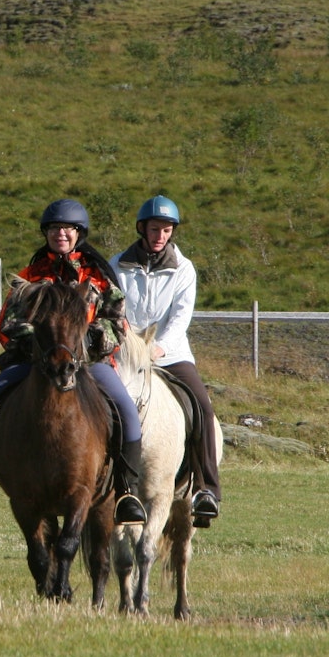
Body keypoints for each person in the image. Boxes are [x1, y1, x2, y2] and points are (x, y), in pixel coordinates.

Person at [0, 199, 147, 525]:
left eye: (67, 228)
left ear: (79, 233)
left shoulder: (98, 278)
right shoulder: (29, 277)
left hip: (89, 364)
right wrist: (41, 345)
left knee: (125, 407)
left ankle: (127, 492)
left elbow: (116, 323)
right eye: (54, 229)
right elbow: (8, 324)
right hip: (34, 363)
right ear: (47, 233)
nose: (61, 234)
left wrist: (82, 344)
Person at [111, 195, 222, 526]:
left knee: (201, 406)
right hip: (126, 354)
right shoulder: (117, 265)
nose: (161, 235)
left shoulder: (184, 269)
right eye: (155, 228)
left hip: (169, 354)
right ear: (142, 229)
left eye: (167, 229)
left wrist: (158, 347)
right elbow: (113, 307)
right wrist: (126, 338)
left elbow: (180, 318)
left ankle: (206, 489)